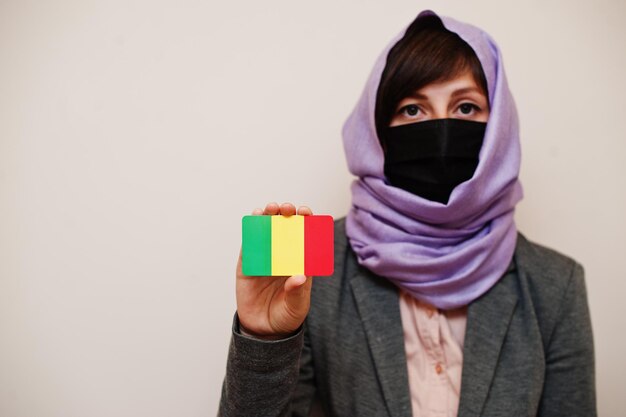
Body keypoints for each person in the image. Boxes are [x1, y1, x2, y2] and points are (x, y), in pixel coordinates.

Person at [219, 10, 596, 417]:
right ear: (378, 130)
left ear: (499, 127)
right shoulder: (311, 266)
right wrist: (263, 339)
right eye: (412, 110)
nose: (441, 129)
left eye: (466, 108)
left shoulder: (556, 287)